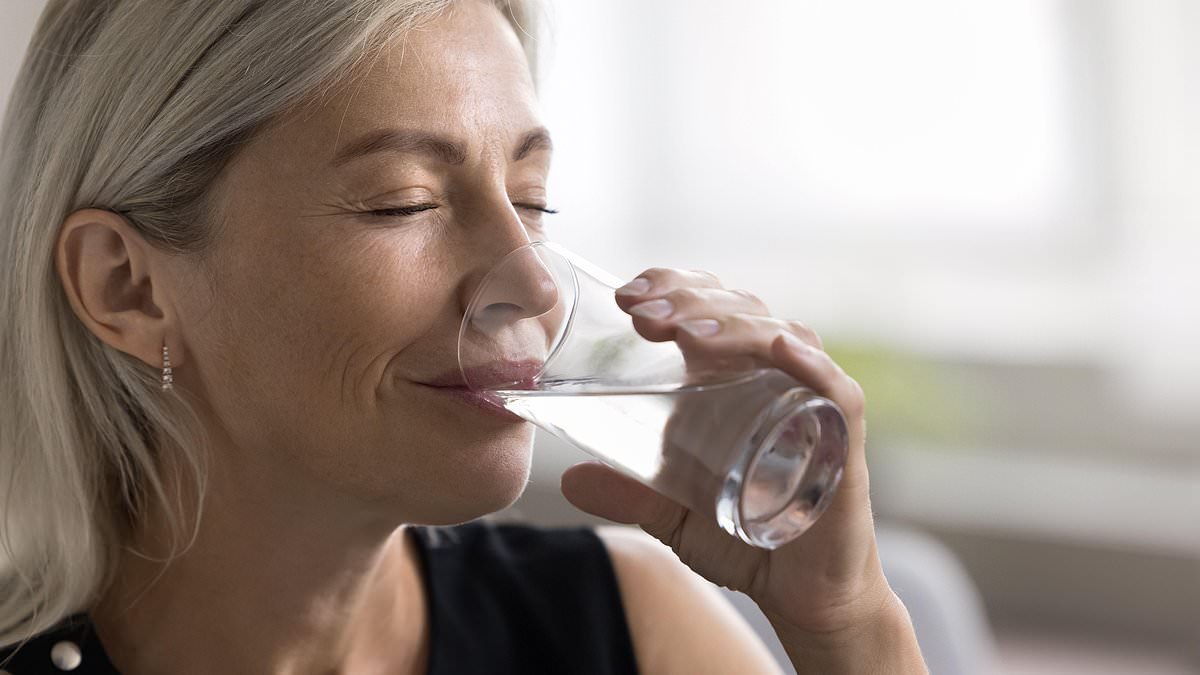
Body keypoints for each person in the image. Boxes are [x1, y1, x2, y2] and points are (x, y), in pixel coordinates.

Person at [0, 1, 928, 673]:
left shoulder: (619, 625)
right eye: (404, 201)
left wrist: (846, 628)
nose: (531, 280)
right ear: (128, 286)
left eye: (533, 201)